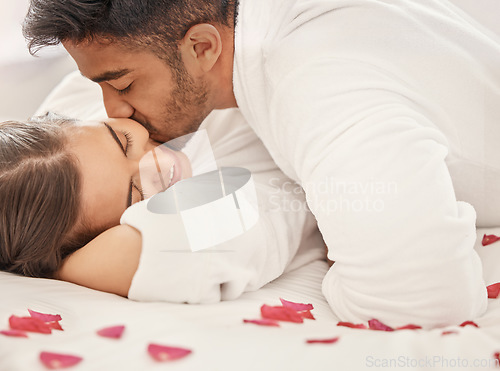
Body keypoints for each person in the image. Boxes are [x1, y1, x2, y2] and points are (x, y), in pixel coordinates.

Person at [22, 0, 500, 327]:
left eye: (123, 85)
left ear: (203, 47)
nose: (113, 110)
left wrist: (60, 266)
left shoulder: (313, 84)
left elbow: (418, 300)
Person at [0, 112, 324, 301]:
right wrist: (57, 266)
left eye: (123, 139)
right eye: (137, 192)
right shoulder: (224, 204)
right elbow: (145, 248)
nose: (155, 160)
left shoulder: (93, 110)